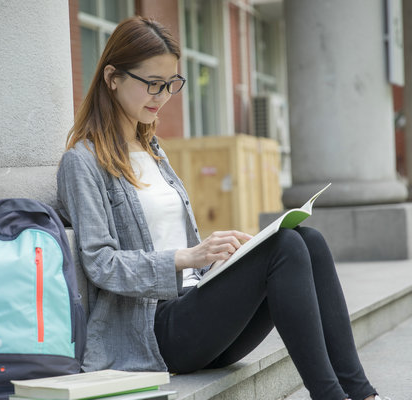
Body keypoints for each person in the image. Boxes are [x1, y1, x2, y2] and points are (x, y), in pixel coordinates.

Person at [56, 16, 387, 400]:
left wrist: (218, 258)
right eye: (152, 84)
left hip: (197, 315)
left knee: (306, 239)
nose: (161, 96)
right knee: (284, 250)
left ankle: (362, 394)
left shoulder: (154, 150)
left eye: (170, 85)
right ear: (112, 77)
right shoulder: (82, 162)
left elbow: (176, 241)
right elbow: (101, 263)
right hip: (152, 333)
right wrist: (186, 257)